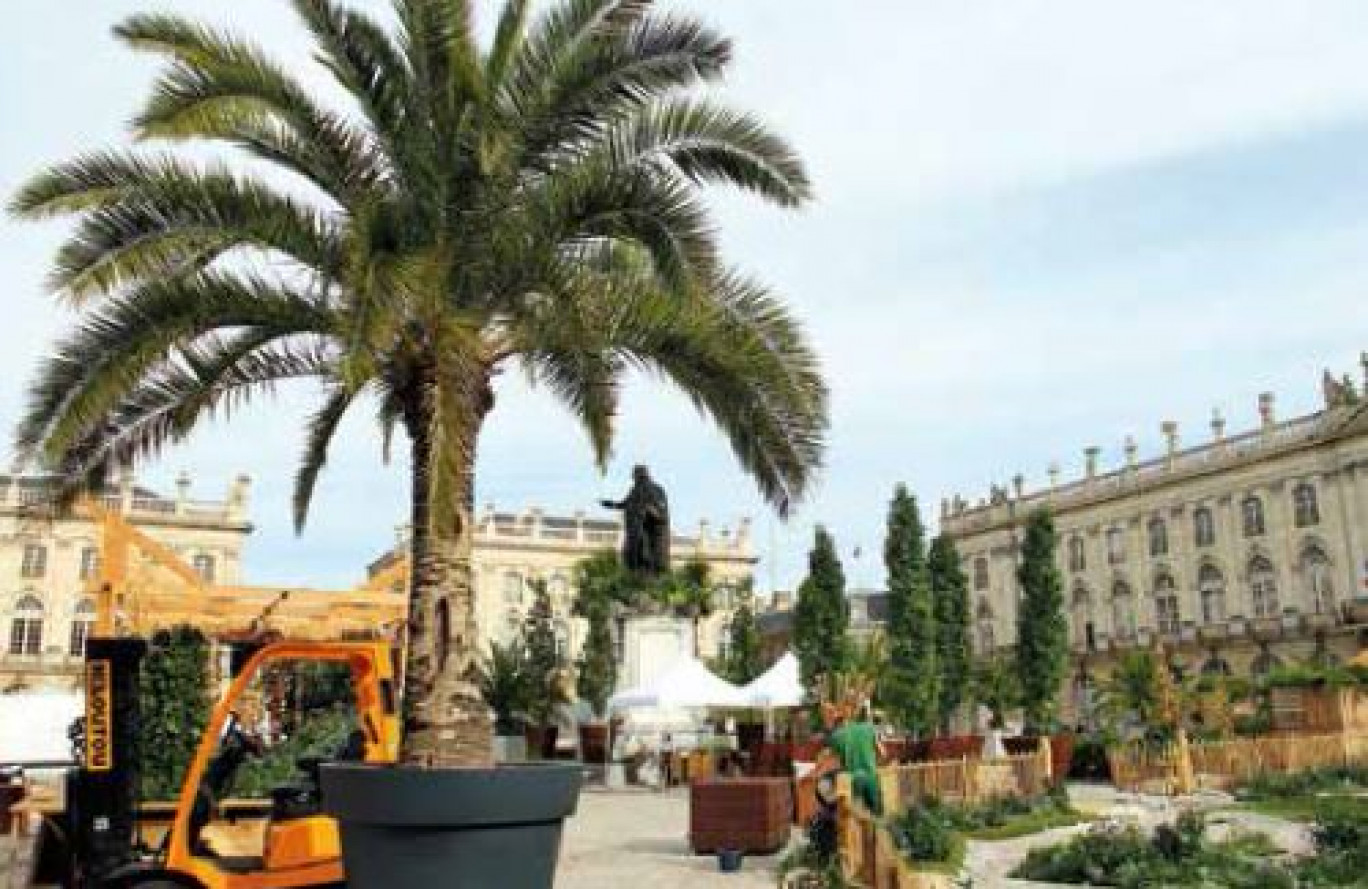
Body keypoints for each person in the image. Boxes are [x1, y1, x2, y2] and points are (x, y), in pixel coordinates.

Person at [820, 702, 884, 815]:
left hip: (853, 783)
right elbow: (883, 753)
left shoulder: (835, 737)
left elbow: (825, 761)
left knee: (853, 819)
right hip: (871, 779)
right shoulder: (869, 728)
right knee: (876, 819)